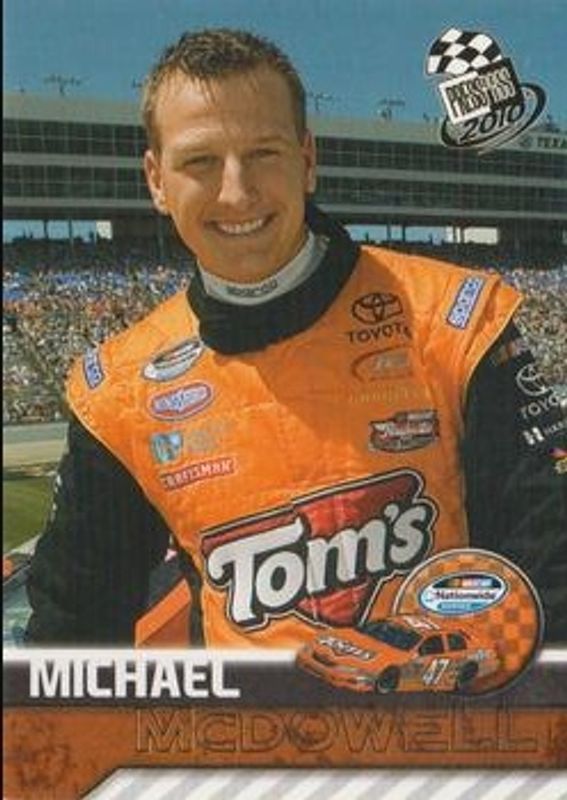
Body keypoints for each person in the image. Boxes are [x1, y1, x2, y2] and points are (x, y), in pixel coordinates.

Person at [25, 28, 566, 648]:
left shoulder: (459, 320)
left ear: (307, 161)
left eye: (264, 154)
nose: (237, 192)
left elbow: (551, 569)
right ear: (156, 180)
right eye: (201, 162)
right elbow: (72, 629)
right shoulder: (119, 392)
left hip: (442, 702)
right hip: (244, 715)